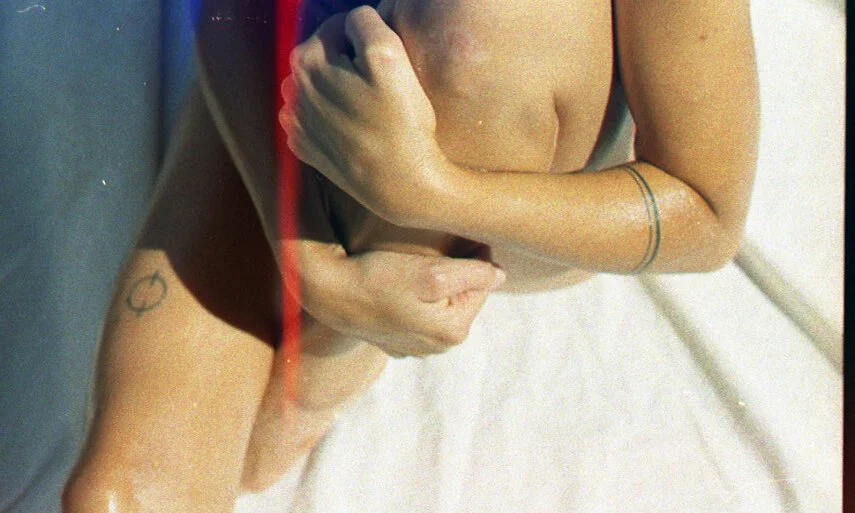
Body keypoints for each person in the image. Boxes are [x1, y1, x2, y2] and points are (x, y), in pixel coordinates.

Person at [64, 0, 759, 510]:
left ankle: (337, 349)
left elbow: (705, 211)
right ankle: (346, 302)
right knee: (115, 499)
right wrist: (306, 254)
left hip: (516, 148)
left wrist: (427, 190)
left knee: (475, 34)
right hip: (309, 77)